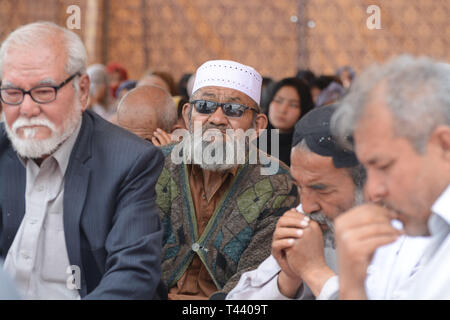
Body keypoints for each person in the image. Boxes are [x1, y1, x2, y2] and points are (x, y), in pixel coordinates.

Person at [0, 21, 165, 299]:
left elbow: (133, 274)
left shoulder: (129, 161)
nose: (27, 108)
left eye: (44, 91)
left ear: (83, 91)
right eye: (13, 93)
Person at [227, 105, 430, 300]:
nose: (306, 206)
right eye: (299, 186)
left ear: (372, 183)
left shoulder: (425, 239)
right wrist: (288, 279)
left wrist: (315, 273)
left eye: (320, 189)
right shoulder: (311, 217)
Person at [156, 59, 298, 299]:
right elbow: (132, 253)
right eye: (204, 106)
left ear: (257, 126)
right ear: (188, 115)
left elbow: (257, 276)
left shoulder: (278, 184)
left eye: (233, 110)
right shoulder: (153, 166)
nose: (217, 119)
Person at [331, 54, 450, 299]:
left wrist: (352, 290)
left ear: (445, 146)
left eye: (383, 166)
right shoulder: (433, 229)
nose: (373, 191)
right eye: (367, 170)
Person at [260, 77, 314, 167]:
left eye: (293, 105)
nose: (283, 110)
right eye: (278, 101)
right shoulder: (252, 138)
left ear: (304, 110)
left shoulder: (307, 149)